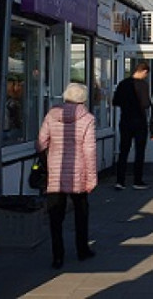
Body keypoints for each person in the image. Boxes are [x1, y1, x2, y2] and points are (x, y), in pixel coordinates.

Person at [38, 83, 98, 269]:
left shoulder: (51, 115)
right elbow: (89, 150)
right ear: (83, 99)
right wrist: (92, 178)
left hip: (55, 172)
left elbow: (40, 143)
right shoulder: (87, 119)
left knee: (56, 216)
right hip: (77, 173)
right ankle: (82, 250)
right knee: (81, 212)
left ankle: (58, 256)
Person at [112, 62, 151, 190]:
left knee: (123, 151)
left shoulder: (123, 84)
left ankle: (120, 181)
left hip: (125, 121)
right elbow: (146, 104)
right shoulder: (143, 85)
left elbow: (115, 101)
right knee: (139, 152)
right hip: (139, 121)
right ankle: (137, 180)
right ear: (144, 72)